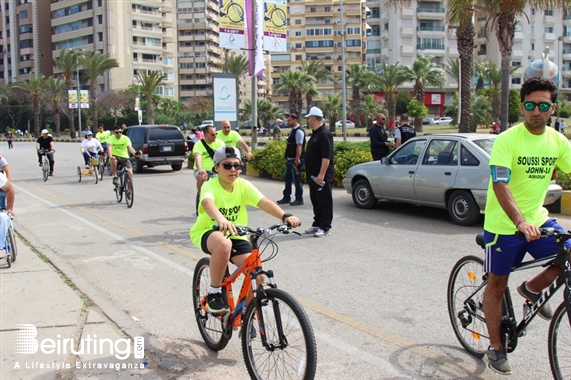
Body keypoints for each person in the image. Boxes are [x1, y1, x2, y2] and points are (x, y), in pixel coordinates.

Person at [482, 77, 571, 376]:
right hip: (504, 226)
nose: (537, 111)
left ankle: (532, 289)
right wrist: (519, 221)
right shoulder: (508, 139)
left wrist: (529, 220)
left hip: (538, 219)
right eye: (531, 105)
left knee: (569, 253)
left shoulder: (557, 141)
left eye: (543, 105)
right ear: (522, 107)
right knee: (496, 285)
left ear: (552, 108)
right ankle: (495, 347)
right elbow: (500, 184)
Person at [190, 146, 301, 314]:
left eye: (237, 165)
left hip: (237, 234)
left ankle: (247, 316)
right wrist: (221, 219)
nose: (233, 169)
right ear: (216, 167)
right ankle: (214, 293)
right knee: (223, 243)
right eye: (227, 165)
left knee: (258, 276)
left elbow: (264, 202)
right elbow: (207, 203)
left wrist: (284, 216)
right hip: (208, 231)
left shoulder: (243, 185)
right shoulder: (210, 185)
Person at [303, 107, 334, 238]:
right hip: (313, 175)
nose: (308, 121)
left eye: (309, 118)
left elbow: (326, 157)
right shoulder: (315, 133)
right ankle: (317, 223)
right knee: (315, 200)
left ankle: (325, 226)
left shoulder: (324, 134)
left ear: (314, 119)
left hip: (322, 176)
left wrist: (321, 175)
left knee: (324, 201)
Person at [193, 125, 225, 212]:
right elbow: (198, 158)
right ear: (205, 135)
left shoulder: (220, 143)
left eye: (216, 134)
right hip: (202, 170)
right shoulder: (198, 145)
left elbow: (225, 157)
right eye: (212, 134)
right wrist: (200, 169)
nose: (215, 136)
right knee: (202, 177)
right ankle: (201, 195)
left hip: (216, 171)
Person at [276, 112, 305, 206]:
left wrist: (297, 159)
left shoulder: (299, 131)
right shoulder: (293, 130)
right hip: (290, 160)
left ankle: (299, 199)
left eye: (289, 120)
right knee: (287, 179)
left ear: (295, 120)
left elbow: (299, 145)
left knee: (297, 180)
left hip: (295, 160)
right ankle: (286, 197)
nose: (288, 122)